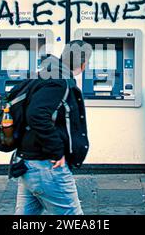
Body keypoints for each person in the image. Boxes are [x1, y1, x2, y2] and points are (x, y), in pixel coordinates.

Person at [14, 40, 93, 215]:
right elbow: (37, 115)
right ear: (84, 63)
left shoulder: (46, 75)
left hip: (30, 162)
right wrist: (56, 150)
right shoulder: (58, 81)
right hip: (46, 166)